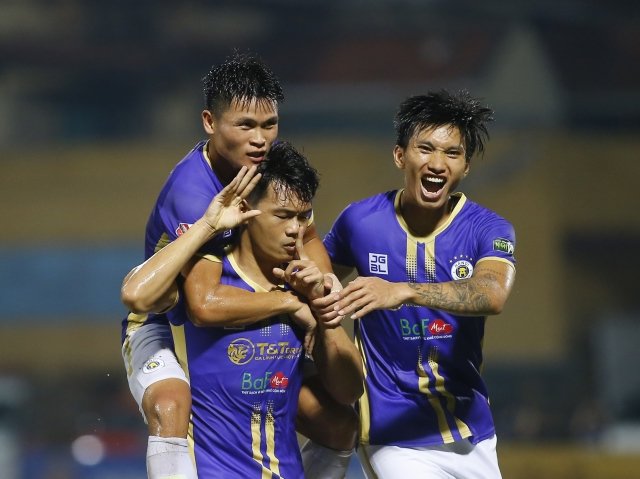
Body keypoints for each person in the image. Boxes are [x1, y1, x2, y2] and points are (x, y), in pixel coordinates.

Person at [120, 52, 358, 479]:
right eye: (245, 126)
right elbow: (201, 303)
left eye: (269, 125)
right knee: (172, 405)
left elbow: (307, 236)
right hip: (171, 320)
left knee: (337, 424)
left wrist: (324, 289)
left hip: (249, 308)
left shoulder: (272, 169)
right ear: (210, 122)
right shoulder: (193, 193)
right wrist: (292, 305)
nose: (260, 139)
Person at [314, 90, 517, 478]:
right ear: (400, 156)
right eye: (425, 149)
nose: (437, 164)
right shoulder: (360, 221)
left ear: (465, 166)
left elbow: (492, 294)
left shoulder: (489, 228)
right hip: (393, 435)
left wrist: (402, 290)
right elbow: (318, 287)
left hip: (471, 429)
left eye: (452, 153)